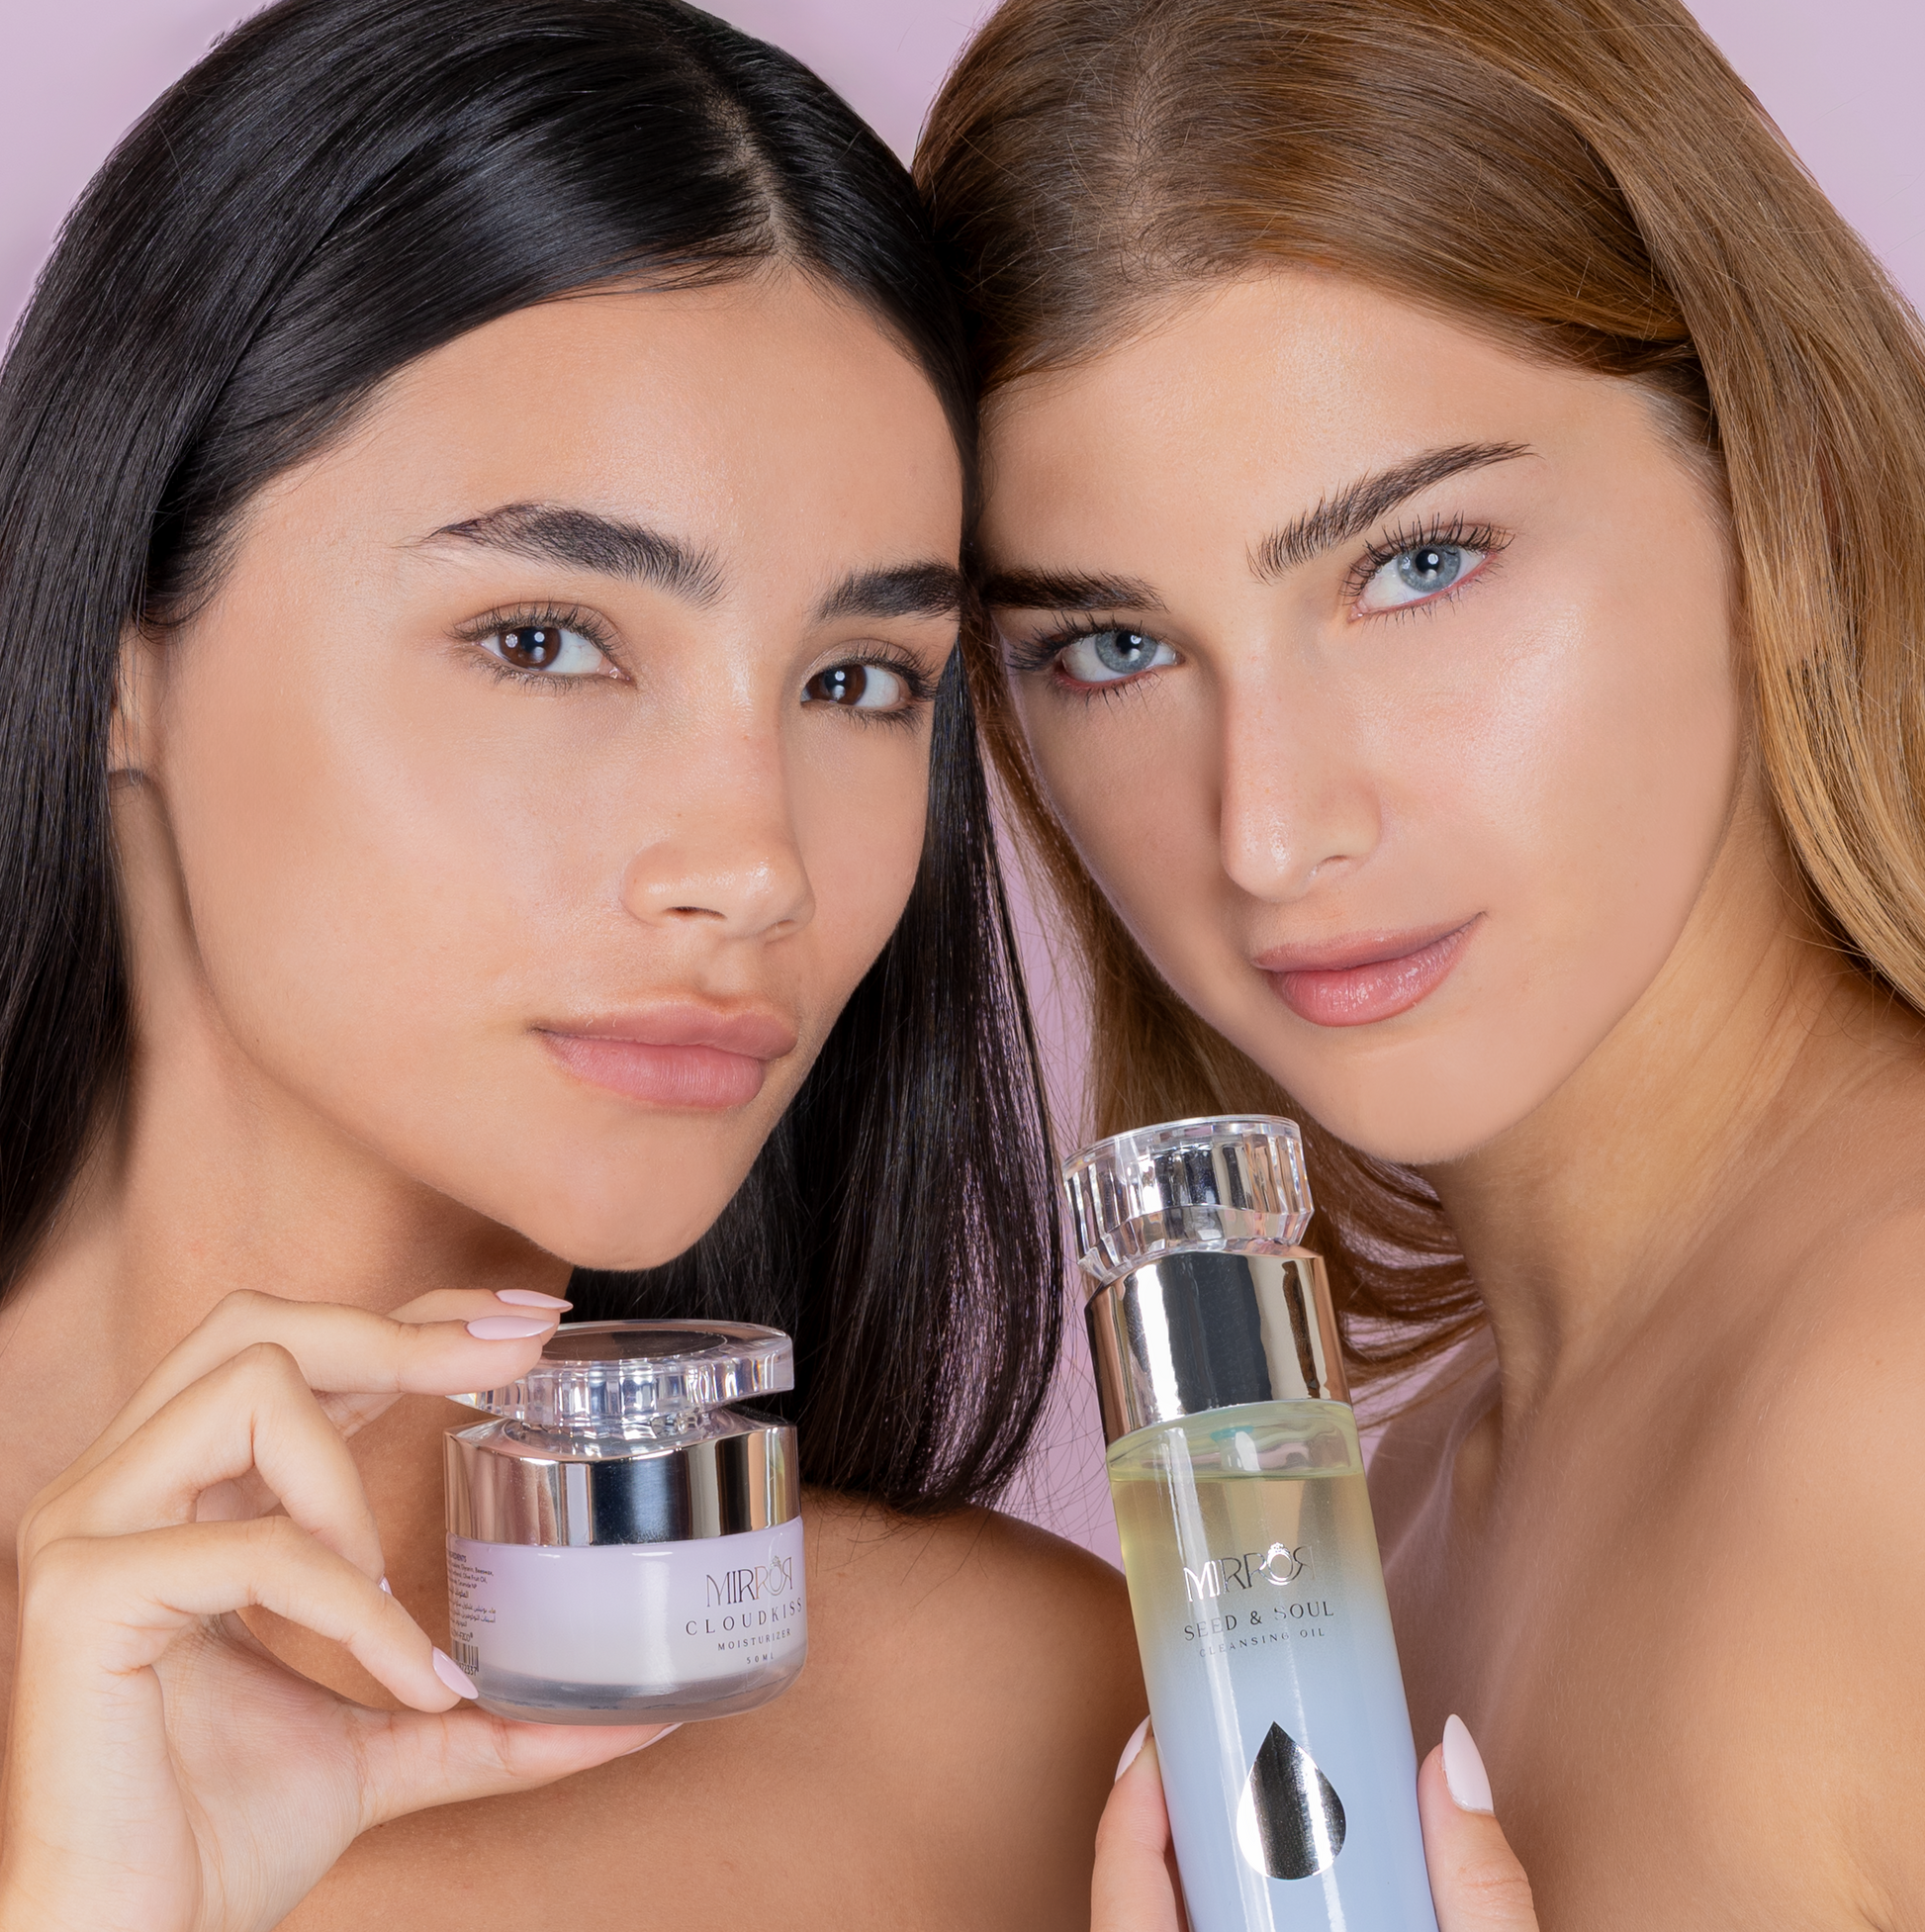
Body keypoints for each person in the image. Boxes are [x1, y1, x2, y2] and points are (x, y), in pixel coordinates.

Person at [0, 2, 1145, 1926]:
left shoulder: (1025, 1726)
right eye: (545, 638)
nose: (752, 862)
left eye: (857, 681)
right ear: (126, 641)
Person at [918, 0, 1925, 1924]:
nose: (1269, 827)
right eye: (1109, 647)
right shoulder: (1358, 1531)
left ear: (1772, 508)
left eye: (1415, 563)